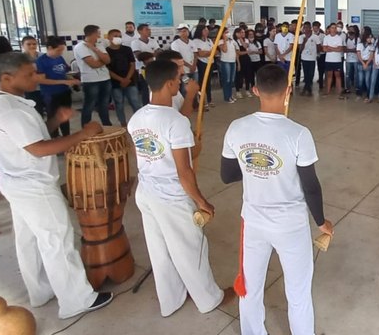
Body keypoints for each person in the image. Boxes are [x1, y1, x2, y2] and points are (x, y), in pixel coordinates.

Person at [0, 52, 113, 318]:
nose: (36, 77)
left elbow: (28, 140)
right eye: (29, 74)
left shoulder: (4, 103)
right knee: (57, 241)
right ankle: (77, 300)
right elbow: (38, 149)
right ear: (6, 78)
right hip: (33, 186)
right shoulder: (11, 111)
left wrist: (55, 121)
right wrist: (82, 134)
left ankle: (41, 291)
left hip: (17, 183)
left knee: (31, 241)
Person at [221, 64, 333, 335]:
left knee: (250, 287)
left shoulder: (237, 128)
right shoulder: (298, 133)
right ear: (289, 91)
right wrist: (321, 222)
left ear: (255, 89)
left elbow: (228, 175)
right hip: (291, 226)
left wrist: (253, 168)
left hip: (254, 223)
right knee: (298, 293)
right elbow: (311, 186)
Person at [128, 60, 228, 317]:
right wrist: (201, 200)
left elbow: (156, 152)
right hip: (170, 195)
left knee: (159, 249)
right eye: (180, 79)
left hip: (146, 191)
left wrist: (192, 149)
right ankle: (209, 299)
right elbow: (184, 171)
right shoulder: (175, 121)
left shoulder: (137, 117)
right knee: (190, 246)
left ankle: (170, 300)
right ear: (171, 83)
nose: (181, 83)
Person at [36, 36, 78, 137]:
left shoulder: (59, 58)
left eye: (62, 50)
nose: (61, 52)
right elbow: (42, 80)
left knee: (64, 116)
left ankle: (66, 137)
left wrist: (72, 79)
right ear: (50, 48)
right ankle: (55, 140)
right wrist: (63, 81)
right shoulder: (41, 61)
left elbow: (64, 72)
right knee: (53, 117)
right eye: (58, 50)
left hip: (64, 92)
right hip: (50, 94)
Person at [73, 25, 112, 127]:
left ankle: (107, 125)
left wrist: (95, 49)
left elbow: (108, 60)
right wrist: (102, 61)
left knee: (104, 104)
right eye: (98, 33)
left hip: (105, 78)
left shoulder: (98, 45)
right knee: (89, 105)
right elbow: (93, 64)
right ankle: (86, 127)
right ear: (92, 33)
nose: (99, 35)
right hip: (91, 80)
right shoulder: (80, 47)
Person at [106, 29, 142, 126]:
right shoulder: (106, 51)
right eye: (115, 36)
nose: (118, 38)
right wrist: (121, 79)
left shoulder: (127, 49)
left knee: (135, 102)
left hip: (130, 80)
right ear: (109, 37)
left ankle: (139, 123)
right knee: (119, 104)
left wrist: (127, 78)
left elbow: (132, 64)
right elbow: (107, 69)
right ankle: (123, 124)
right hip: (115, 82)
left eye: (119, 36)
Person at [154, 51, 199, 119]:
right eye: (178, 67)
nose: (183, 71)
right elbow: (180, 118)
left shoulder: (174, 87)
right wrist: (190, 94)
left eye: (182, 66)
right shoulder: (162, 93)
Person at [131, 23, 160, 105]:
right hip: (143, 70)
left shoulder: (153, 41)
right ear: (140, 31)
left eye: (149, 29)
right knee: (145, 90)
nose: (149, 31)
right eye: (147, 29)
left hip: (155, 68)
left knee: (155, 88)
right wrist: (153, 54)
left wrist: (147, 55)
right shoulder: (135, 42)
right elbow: (139, 56)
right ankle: (146, 106)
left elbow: (159, 52)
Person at [191, 25, 215, 108]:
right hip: (202, 64)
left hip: (210, 63)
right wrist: (209, 52)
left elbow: (215, 51)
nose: (207, 31)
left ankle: (209, 99)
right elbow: (200, 54)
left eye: (207, 30)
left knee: (208, 82)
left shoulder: (209, 40)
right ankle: (202, 101)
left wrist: (207, 53)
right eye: (205, 30)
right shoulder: (195, 41)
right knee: (202, 83)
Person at [322, 23, 345, 98]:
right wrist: (334, 48)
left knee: (338, 76)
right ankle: (327, 91)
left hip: (337, 60)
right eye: (332, 28)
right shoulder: (326, 38)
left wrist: (330, 48)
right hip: (329, 60)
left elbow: (340, 49)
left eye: (335, 28)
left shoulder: (339, 38)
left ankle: (339, 92)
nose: (334, 29)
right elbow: (324, 49)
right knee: (329, 76)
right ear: (329, 29)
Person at [299, 23, 321, 96]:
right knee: (306, 74)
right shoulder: (301, 37)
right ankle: (308, 89)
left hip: (312, 58)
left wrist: (317, 54)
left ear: (310, 28)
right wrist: (304, 41)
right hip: (304, 58)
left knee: (311, 74)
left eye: (308, 27)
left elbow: (318, 46)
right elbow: (300, 49)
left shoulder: (315, 37)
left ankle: (306, 88)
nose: (306, 29)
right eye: (305, 28)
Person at [218, 28, 239, 104]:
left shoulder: (232, 41)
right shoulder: (220, 41)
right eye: (225, 32)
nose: (227, 34)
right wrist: (224, 40)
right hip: (225, 62)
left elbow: (237, 50)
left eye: (228, 32)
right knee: (227, 80)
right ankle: (227, 97)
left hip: (233, 62)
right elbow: (224, 50)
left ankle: (230, 95)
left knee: (232, 80)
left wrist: (237, 62)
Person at [356, 31, 375, 101]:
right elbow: (358, 55)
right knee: (360, 80)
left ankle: (368, 95)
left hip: (368, 63)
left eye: (371, 38)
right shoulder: (359, 45)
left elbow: (371, 56)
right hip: (361, 63)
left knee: (367, 80)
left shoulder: (372, 46)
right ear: (365, 38)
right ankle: (359, 94)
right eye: (369, 38)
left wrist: (366, 64)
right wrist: (363, 63)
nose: (370, 39)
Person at [344, 27, 360, 95]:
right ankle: (348, 88)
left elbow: (357, 50)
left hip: (356, 60)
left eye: (352, 30)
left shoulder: (358, 39)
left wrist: (349, 50)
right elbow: (344, 49)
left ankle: (356, 87)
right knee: (347, 74)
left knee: (356, 74)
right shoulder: (346, 39)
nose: (350, 31)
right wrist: (353, 50)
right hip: (348, 60)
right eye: (349, 30)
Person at [313, 22, 326, 89]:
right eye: (314, 28)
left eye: (316, 28)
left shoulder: (323, 36)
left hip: (321, 54)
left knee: (321, 68)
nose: (315, 29)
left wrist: (320, 48)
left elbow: (324, 46)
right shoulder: (311, 35)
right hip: (312, 54)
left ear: (319, 28)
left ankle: (321, 82)